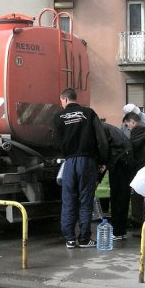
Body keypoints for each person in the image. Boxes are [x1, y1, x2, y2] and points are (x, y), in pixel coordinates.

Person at [53, 88, 108, 249]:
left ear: (64, 99)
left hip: (69, 162)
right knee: (86, 200)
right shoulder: (89, 113)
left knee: (68, 200)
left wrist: (66, 153)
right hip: (87, 161)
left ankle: (69, 239)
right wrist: (102, 160)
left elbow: (55, 141)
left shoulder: (58, 117)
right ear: (75, 98)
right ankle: (84, 239)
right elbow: (102, 139)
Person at [100, 123, 134, 241]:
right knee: (123, 197)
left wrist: (97, 178)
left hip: (119, 161)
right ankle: (121, 230)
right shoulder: (107, 127)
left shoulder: (99, 130)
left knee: (117, 196)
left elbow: (102, 151)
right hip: (125, 160)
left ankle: (118, 232)